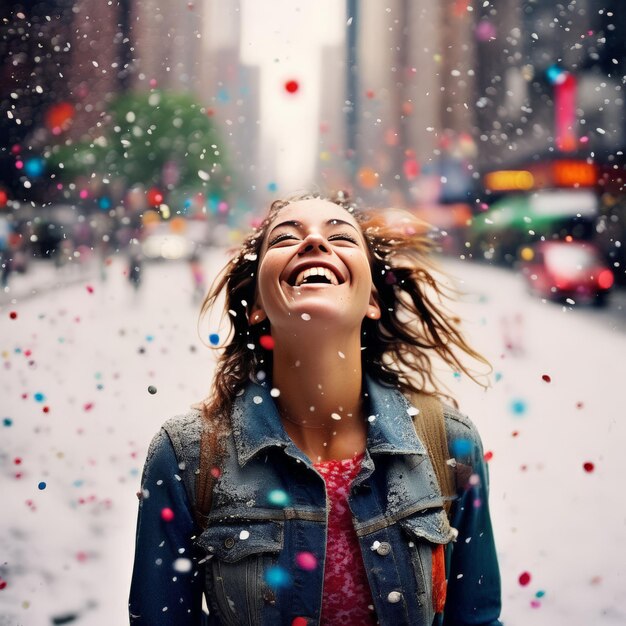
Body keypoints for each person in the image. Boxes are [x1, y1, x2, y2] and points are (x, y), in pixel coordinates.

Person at [129, 193, 502, 625]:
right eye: (286, 238)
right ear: (255, 308)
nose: (313, 242)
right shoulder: (185, 455)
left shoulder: (451, 444)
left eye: (341, 237)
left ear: (372, 301)